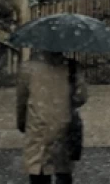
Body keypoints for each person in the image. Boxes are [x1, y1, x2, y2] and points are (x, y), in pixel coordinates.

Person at [16, 50, 87, 184]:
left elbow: (22, 100)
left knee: (38, 168)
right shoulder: (72, 67)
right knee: (63, 169)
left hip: (38, 126)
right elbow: (81, 97)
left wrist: (21, 122)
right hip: (64, 125)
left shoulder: (28, 68)